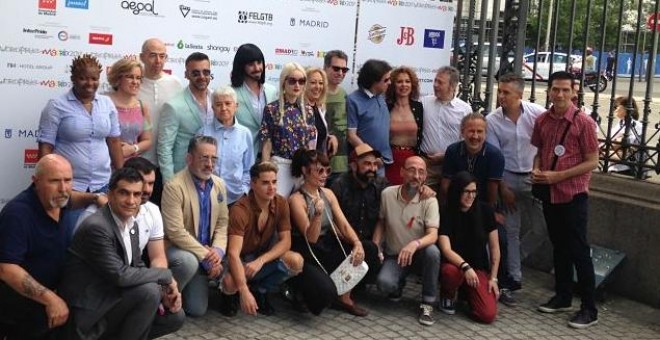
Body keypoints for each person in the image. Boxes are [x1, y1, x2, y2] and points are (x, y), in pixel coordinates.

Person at [58, 167, 183, 340]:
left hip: (114, 297)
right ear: (110, 194)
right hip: (91, 311)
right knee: (148, 292)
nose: (131, 201)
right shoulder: (97, 227)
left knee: (174, 317)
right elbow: (121, 275)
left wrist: (164, 293)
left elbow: (137, 265)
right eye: (124, 193)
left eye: (136, 194)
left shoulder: (132, 223)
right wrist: (166, 275)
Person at [0, 155, 103, 339]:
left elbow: (72, 199)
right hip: (23, 309)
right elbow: (6, 268)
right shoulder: (17, 214)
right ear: (36, 182)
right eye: (54, 181)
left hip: (58, 298)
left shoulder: (58, 200)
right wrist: (51, 299)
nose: (63, 188)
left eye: (68, 180)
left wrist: (95, 198)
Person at [531, 71, 599, 328]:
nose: (559, 94)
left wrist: (558, 176)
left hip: (573, 194)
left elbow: (592, 161)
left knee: (579, 249)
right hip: (550, 192)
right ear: (549, 90)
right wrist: (537, 169)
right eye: (555, 89)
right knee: (558, 245)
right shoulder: (543, 120)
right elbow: (540, 151)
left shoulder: (584, 122)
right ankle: (563, 296)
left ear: (574, 92)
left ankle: (589, 308)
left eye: (564, 90)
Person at [37, 54, 123, 237]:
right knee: (68, 237)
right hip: (70, 187)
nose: (89, 83)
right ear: (73, 78)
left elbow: (114, 141)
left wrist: (121, 176)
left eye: (94, 78)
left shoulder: (107, 104)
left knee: (104, 238)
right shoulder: (56, 106)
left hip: (104, 184)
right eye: (83, 78)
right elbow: (46, 146)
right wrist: (46, 179)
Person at [288, 149, 376, 316]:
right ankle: (298, 291)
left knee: (369, 248)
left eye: (327, 170)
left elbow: (343, 224)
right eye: (319, 170)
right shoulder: (296, 200)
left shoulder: (327, 193)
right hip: (309, 251)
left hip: (327, 245)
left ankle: (344, 296)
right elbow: (311, 238)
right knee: (325, 295)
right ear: (305, 171)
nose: (324, 175)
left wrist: (357, 244)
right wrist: (317, 215)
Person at [486, 73, 547, 294]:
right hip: (508, 176)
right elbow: (495, 156)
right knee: (511, 229)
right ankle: (514, 277)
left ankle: (515, 257)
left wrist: (540, 169)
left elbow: (545, 144)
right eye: (499, 91)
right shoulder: (492, 120)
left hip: (533, 176)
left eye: (506, 92)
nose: (501, 96)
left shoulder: (537, 114)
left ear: (519, 95)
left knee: (542, 228)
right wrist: (503, 187)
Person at [221, 162, 304, 316]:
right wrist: (244, 290)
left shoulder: (281, 202)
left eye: (274, 182)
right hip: (238, 259)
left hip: (260, 256)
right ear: (253, 183)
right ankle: (231, 295)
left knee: (296, 261)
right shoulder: (239, 210)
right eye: (265, 183)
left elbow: (286, 241)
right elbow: (232, 254)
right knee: (230, 282)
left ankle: (262, 290)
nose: (271, 187)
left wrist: (261, 261)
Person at [161, 136, 229, 317]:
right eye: (203, 158)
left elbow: (223, 224)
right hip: (181, 251)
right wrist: (207, 256)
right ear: (189, 158)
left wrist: (218, 252)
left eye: (213, 159)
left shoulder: (220, 184)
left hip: (207, 253)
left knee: (196, 310)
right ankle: (163, 296)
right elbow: (175, 232)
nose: (209, 164)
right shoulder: (174, 186)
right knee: (187, 262)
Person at [373, 156, 441, 326]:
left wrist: (415, 244)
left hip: (419, 256)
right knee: (384, 284)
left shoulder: (430, 200)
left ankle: (427, 303)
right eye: (411, 170)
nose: (416, 175)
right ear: (402, 172)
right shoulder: (387, 194)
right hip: (395, 256)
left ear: (425, 177)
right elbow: (381, 221)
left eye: (421, 172)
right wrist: (376, 247)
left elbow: (433, 235)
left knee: (433, 252)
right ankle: (398, 284)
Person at [122, 157, 185, 337]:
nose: (148, 190)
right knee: (148, 293)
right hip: (112, 285)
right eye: (143, 183)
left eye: (151, 183)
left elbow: (157, 256)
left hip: (136, 277)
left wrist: (166, 287)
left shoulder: (152, 211)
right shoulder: (110, 213)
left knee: (176, 316)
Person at [438, 171, 500, 323]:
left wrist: (493, 278)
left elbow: (495, 248)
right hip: (455, 265)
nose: (470, 196)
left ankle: (468, 294)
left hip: (478, 268)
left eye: (474, 191)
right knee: (450, 273)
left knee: (487, 315)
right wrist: (465, 267)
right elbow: (445, 248)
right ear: (457, 191)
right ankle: (447, 295)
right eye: (466, 191)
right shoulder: (445, 211)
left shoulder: (485, 211)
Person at [259, 62, 317, 197]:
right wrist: (266, 170)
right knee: (277, 207)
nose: (297, 85)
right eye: (292, 81)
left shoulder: (308, 111)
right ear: (284, 82)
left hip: (302, 168)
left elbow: (311, 145)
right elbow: (267, 143)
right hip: (280, 166)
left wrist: (311, 170)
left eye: (301, 81)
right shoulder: (271, 109)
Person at [138, 38, 184, 205]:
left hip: (168, 164)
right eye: (152, 55)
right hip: (139, 162)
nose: (158, 61)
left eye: (162, 56)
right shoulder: (134, 83)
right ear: (142, 57)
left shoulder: (175, 83)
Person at [158, 52, 214, 182]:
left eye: (206, 72)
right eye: (195, 73)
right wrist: (170, 183)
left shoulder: (217, 100)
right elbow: (164, 149)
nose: (202, 77)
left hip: (212, 176)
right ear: (186, 75)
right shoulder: (173, 106)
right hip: (184, 176)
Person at [419, 66, 472, 193]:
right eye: (435, 81)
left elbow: (468, 140)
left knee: (450, 202)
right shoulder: (424, 103)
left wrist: (445, 155)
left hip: (453, 165)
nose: (435, 85)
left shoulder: (465, 109)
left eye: (440, 82)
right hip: (428, 166)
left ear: (452, 86)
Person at [199, 86, 254, 205]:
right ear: (213, 108)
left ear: (236, 106)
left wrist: (244, 191)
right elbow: (195, 166)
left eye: (228, 103)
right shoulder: (203, 133)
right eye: (218, 104)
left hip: (237, 199)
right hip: (207, 198)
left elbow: (249, 168)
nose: (223, 108)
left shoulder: (245, 134)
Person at [347, 59, 393, 176]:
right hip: (365, 164)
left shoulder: (381, 97)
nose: (390, 82)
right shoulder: (353, 100)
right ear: (374, 81)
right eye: (386, 80)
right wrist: (371, 156)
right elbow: (351, 135)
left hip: (383, 162)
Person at [231, 43, 279, 155]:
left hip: (269, 156)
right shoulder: (231, 93)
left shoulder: (272, 91)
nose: (257, 68)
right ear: (241, 66)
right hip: (242, 155)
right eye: (251, 64)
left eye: (259, 62)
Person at [385, 66, 424, 185]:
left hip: (412, 161)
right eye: (399, 81)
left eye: (407, 81)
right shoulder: (386, 107)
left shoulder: (418, 107)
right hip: (390, 159)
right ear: (393, 85)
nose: (404, 85)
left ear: (412, 85)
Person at [108, 58, 153, 159]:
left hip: (132, 169)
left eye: (138, 78)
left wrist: (133, 148)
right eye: (130, 77)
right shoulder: (105, 103)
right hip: (106, 167)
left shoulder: (142, 106)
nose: (135, 82)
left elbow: (148, 140)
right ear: (118, 78)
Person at [323, 50, 350, 184]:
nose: (340, 73)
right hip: (320, 164)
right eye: (336, 68)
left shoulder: (345, 94)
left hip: (342, 164)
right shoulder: (315, 93)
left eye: (344, 70)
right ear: (325, 67)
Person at [605, 96, 645, 175]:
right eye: (614, 107)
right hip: (616, 163)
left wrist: (608, 145)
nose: (615, 110)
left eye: (617, 107)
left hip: (629, 165)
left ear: (627, 109)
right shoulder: (620, 123)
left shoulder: (636, 125)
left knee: (594, 152)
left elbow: (623, 144)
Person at [305, 67, 338, 156]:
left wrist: (330, 137)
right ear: (304, 84)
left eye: (321, 83)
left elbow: (318, 132)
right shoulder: (297, 109)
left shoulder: (320, 108)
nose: (317, 87)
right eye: (313, 82)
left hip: (317, 164)